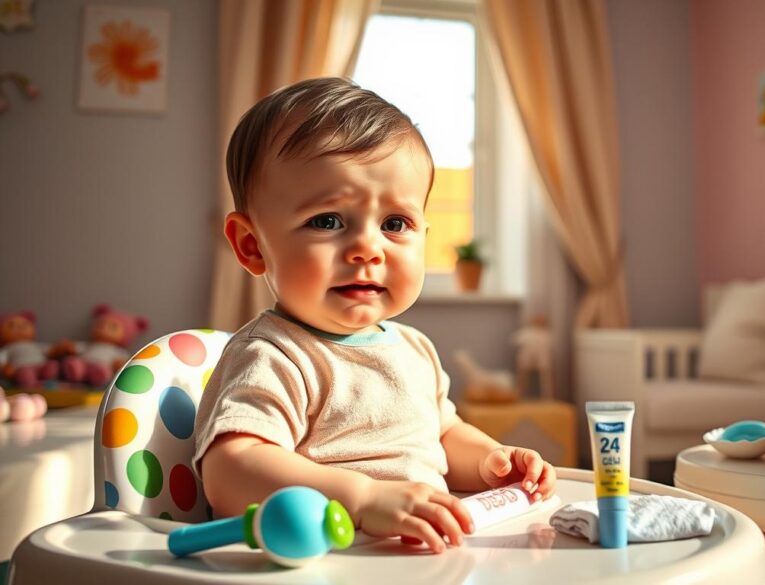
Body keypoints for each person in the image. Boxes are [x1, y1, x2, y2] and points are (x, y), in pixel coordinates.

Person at [194, 77, 557, 554]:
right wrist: (361, 497)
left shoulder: (412, 349)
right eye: (327, 221)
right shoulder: (274, 355)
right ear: (251, 245)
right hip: (335, 562)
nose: (368, 247)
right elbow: (231, 471)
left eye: (395, 224)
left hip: (427, 557)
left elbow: (443, 435)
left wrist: (492, 459)